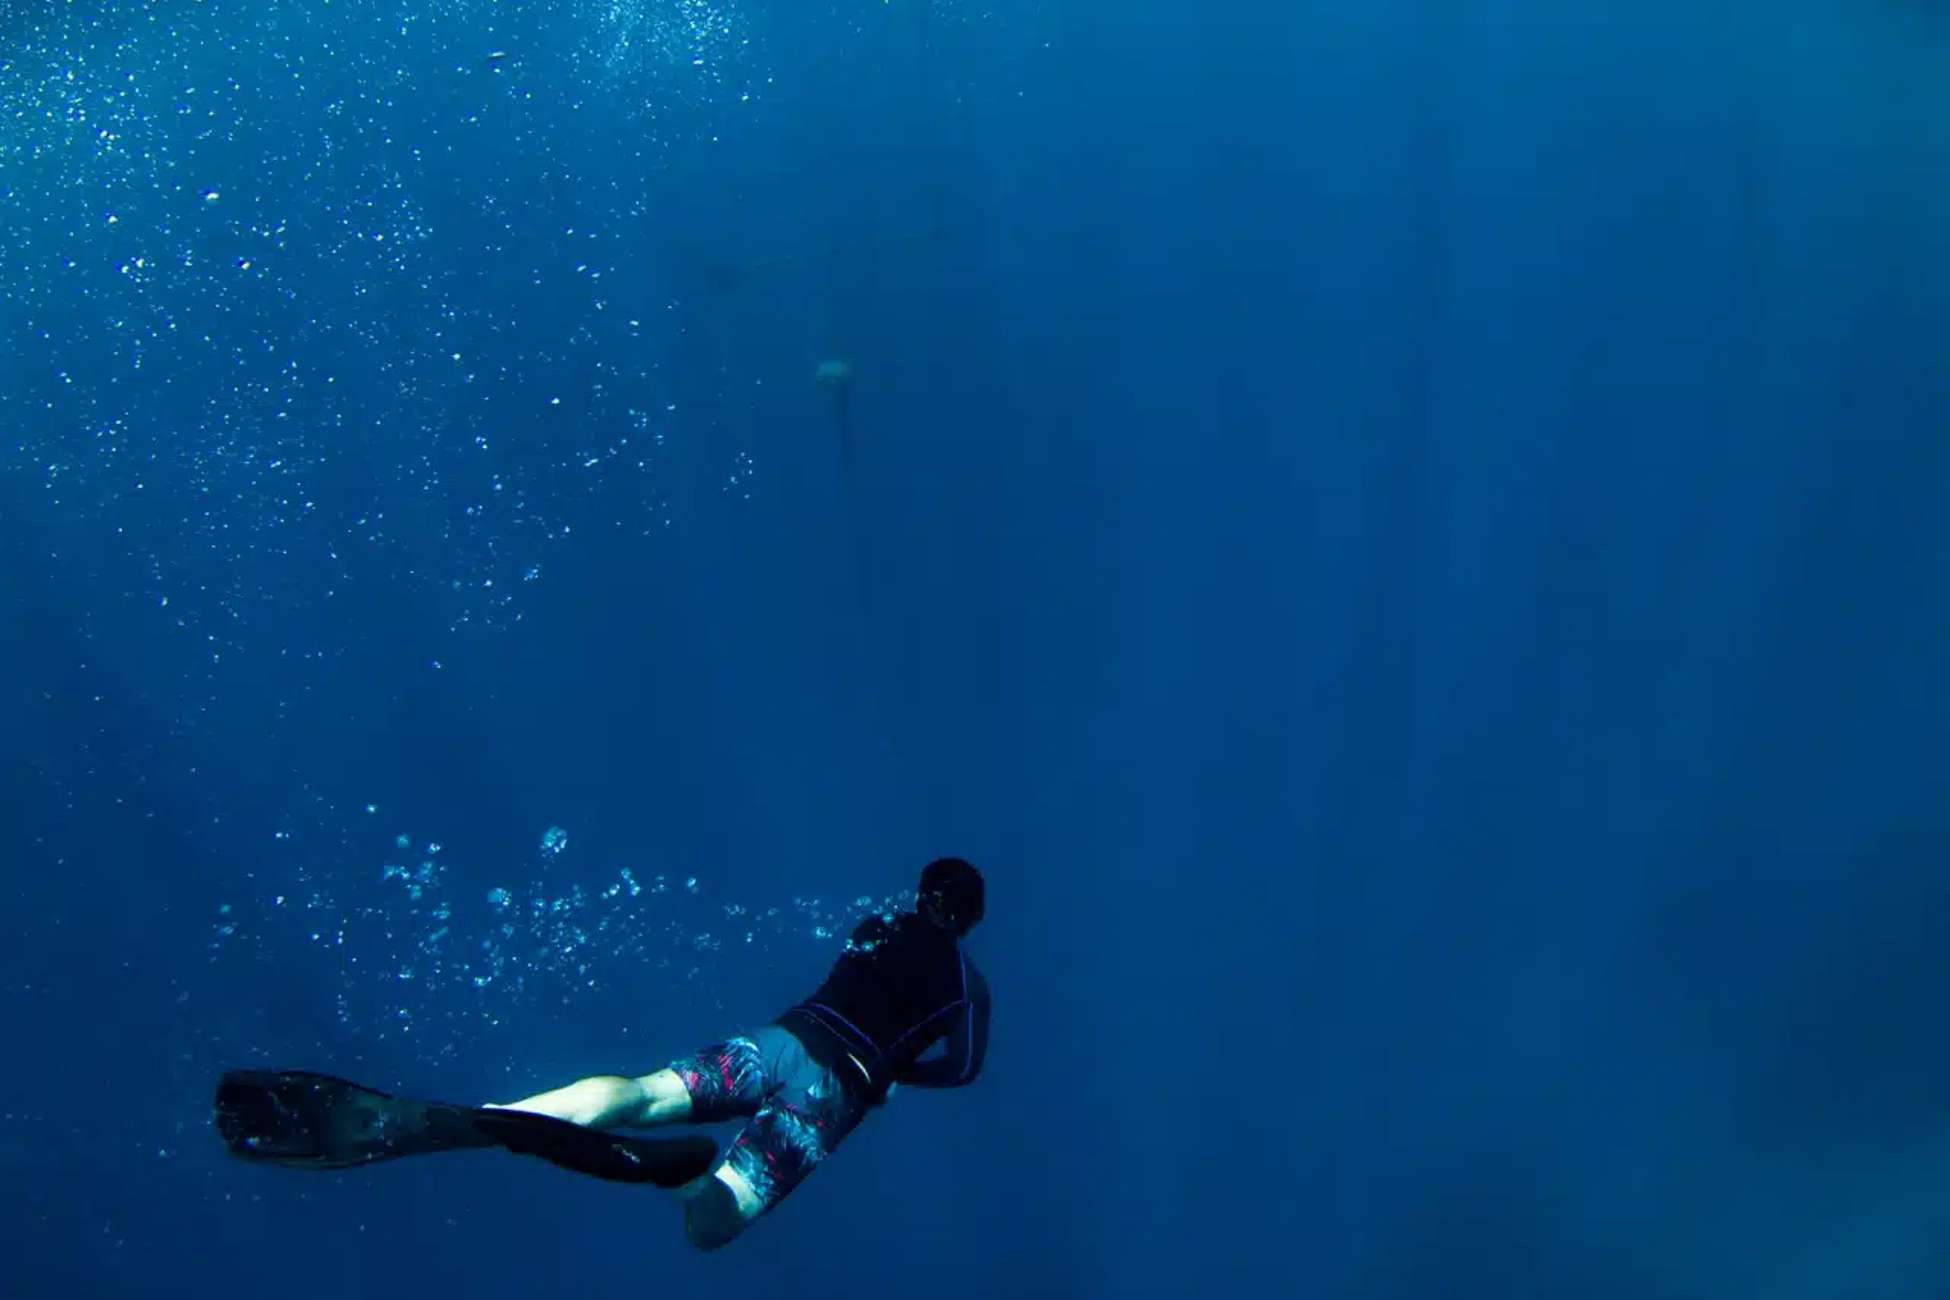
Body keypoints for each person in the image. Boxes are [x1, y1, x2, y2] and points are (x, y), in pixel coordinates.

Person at [487, 856, 991, 1250]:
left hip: (781, 1040)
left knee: (643, 1094)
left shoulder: (876, 925)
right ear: (973, 918)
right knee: (711, 1228)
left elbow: (851, 990)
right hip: (834, 1091)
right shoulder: (968, 986)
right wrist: (895, 1073)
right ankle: (682, 1180)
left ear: (923, 893)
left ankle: (505, 1115)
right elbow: (963, 1068)